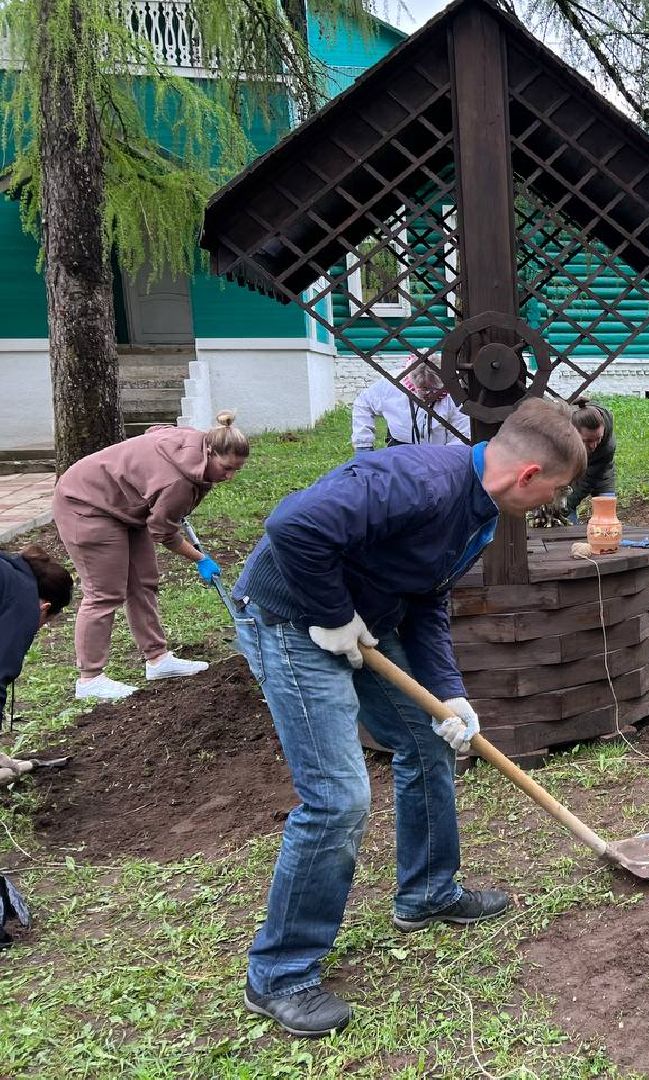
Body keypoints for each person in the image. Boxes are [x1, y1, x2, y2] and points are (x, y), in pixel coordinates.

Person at [232, 398, 585, 1038]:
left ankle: (427, 893)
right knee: (338, 799)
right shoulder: (415, 480)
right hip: (288, 616)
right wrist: (333, 615)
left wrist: (450, 695)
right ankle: (279, 975)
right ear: (529, 475)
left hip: (369, 617)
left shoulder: (479, 511)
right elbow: (293, 526)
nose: (553, 504)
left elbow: (427, 600)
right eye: (556, 490)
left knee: (429, 743)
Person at [52, 412, 249, 701]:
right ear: (209, 450)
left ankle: (158, 660)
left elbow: (156, 430)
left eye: (237, 470)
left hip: (124, 505)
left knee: (144, 582)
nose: (229, 477)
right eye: (226, 467)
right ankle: (89, 679)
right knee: (104, 593)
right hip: (85, 503)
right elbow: (163, 532)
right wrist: (199, 558)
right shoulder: (177, 485)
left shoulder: (194, 439)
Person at [0, 545, 73, 786]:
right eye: (44, 622)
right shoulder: (23, 601)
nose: (38, 627)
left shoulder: (9, 571)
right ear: (45, 607)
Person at [351, 366, 467, 452]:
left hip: (439, 453)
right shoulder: (391, 385)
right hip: (399, 450)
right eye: (424, 389)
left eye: (433, 390)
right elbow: (363, 404)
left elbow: (462, 432)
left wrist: (451, 459)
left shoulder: (453, 394)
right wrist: (363, 445)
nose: (428, 394)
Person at [563, 398, 616, 521]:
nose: (593, 445)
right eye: (587, 441)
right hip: (568, 474)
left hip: (600, 475)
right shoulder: (562, 435)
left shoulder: (607, 447)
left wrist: (568, 503)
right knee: (564, 516)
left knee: (607, 519)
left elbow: (588, 480)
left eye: (598, 439)